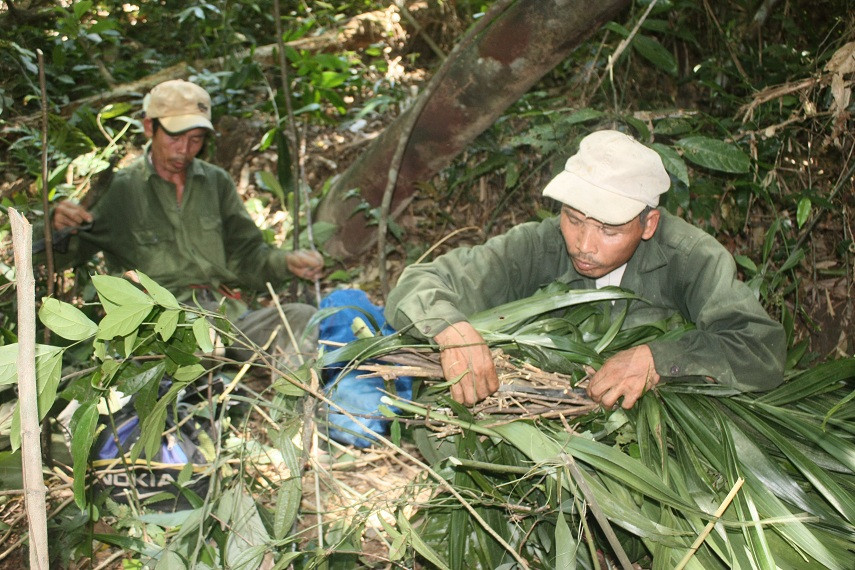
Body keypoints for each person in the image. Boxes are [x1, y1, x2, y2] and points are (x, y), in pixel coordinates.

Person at [385, 129, 786, 409]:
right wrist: (452, 331)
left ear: (648, 225)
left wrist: (659, 358)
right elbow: (420, 282)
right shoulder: (540, 244)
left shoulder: (691, 259)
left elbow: (759, 348)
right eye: (574, 219)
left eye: (609, 229)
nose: (584, 245)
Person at [48, 79, 324, 370]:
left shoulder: (216, 182)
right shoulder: (120, 190)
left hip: (225, 317)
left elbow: (247, 257)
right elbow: (61, 255)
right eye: (175, 137)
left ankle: (295, 413)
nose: (184, 150)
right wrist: (56, 225)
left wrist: (286, 262)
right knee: (200, 340)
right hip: (162, 328)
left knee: (302, 318)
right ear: (148, 127)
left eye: (196, 139)